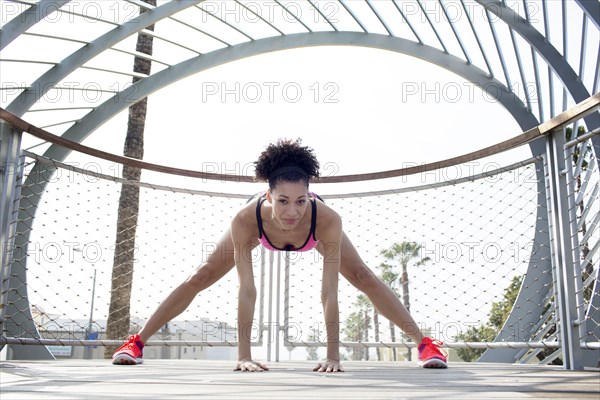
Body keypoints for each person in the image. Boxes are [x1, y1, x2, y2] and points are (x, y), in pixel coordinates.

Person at [112, 139, 448, 371]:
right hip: (260, 232)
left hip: (314, 238)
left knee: (364, 276)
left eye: (300, 201)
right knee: (200, 275)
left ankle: (425, 345)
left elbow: (328, 291)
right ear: (268, 196)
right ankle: (136, 343)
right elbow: (247, 288)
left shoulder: (326, 218)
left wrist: (333, 356)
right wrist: (243, 356)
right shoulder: (246, 218)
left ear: (309, 197)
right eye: (283, 201)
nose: (292, 211)